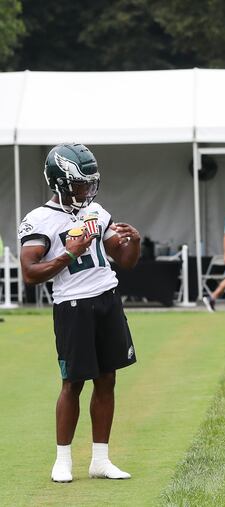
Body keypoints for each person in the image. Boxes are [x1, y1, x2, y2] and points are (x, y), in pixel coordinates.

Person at [18, 143, 140, 482]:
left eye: (90, 183)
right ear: (59, 182)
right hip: (73, 307)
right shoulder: (38, 219)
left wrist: (136, 242)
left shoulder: (97, 211)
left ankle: (100, 459)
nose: (86, 190)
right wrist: (69, 255)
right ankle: (63, 460)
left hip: (107, 298)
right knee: (73, 383)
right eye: (79, 184)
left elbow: (126, 261)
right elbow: (29, 273)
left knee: (108, 379)